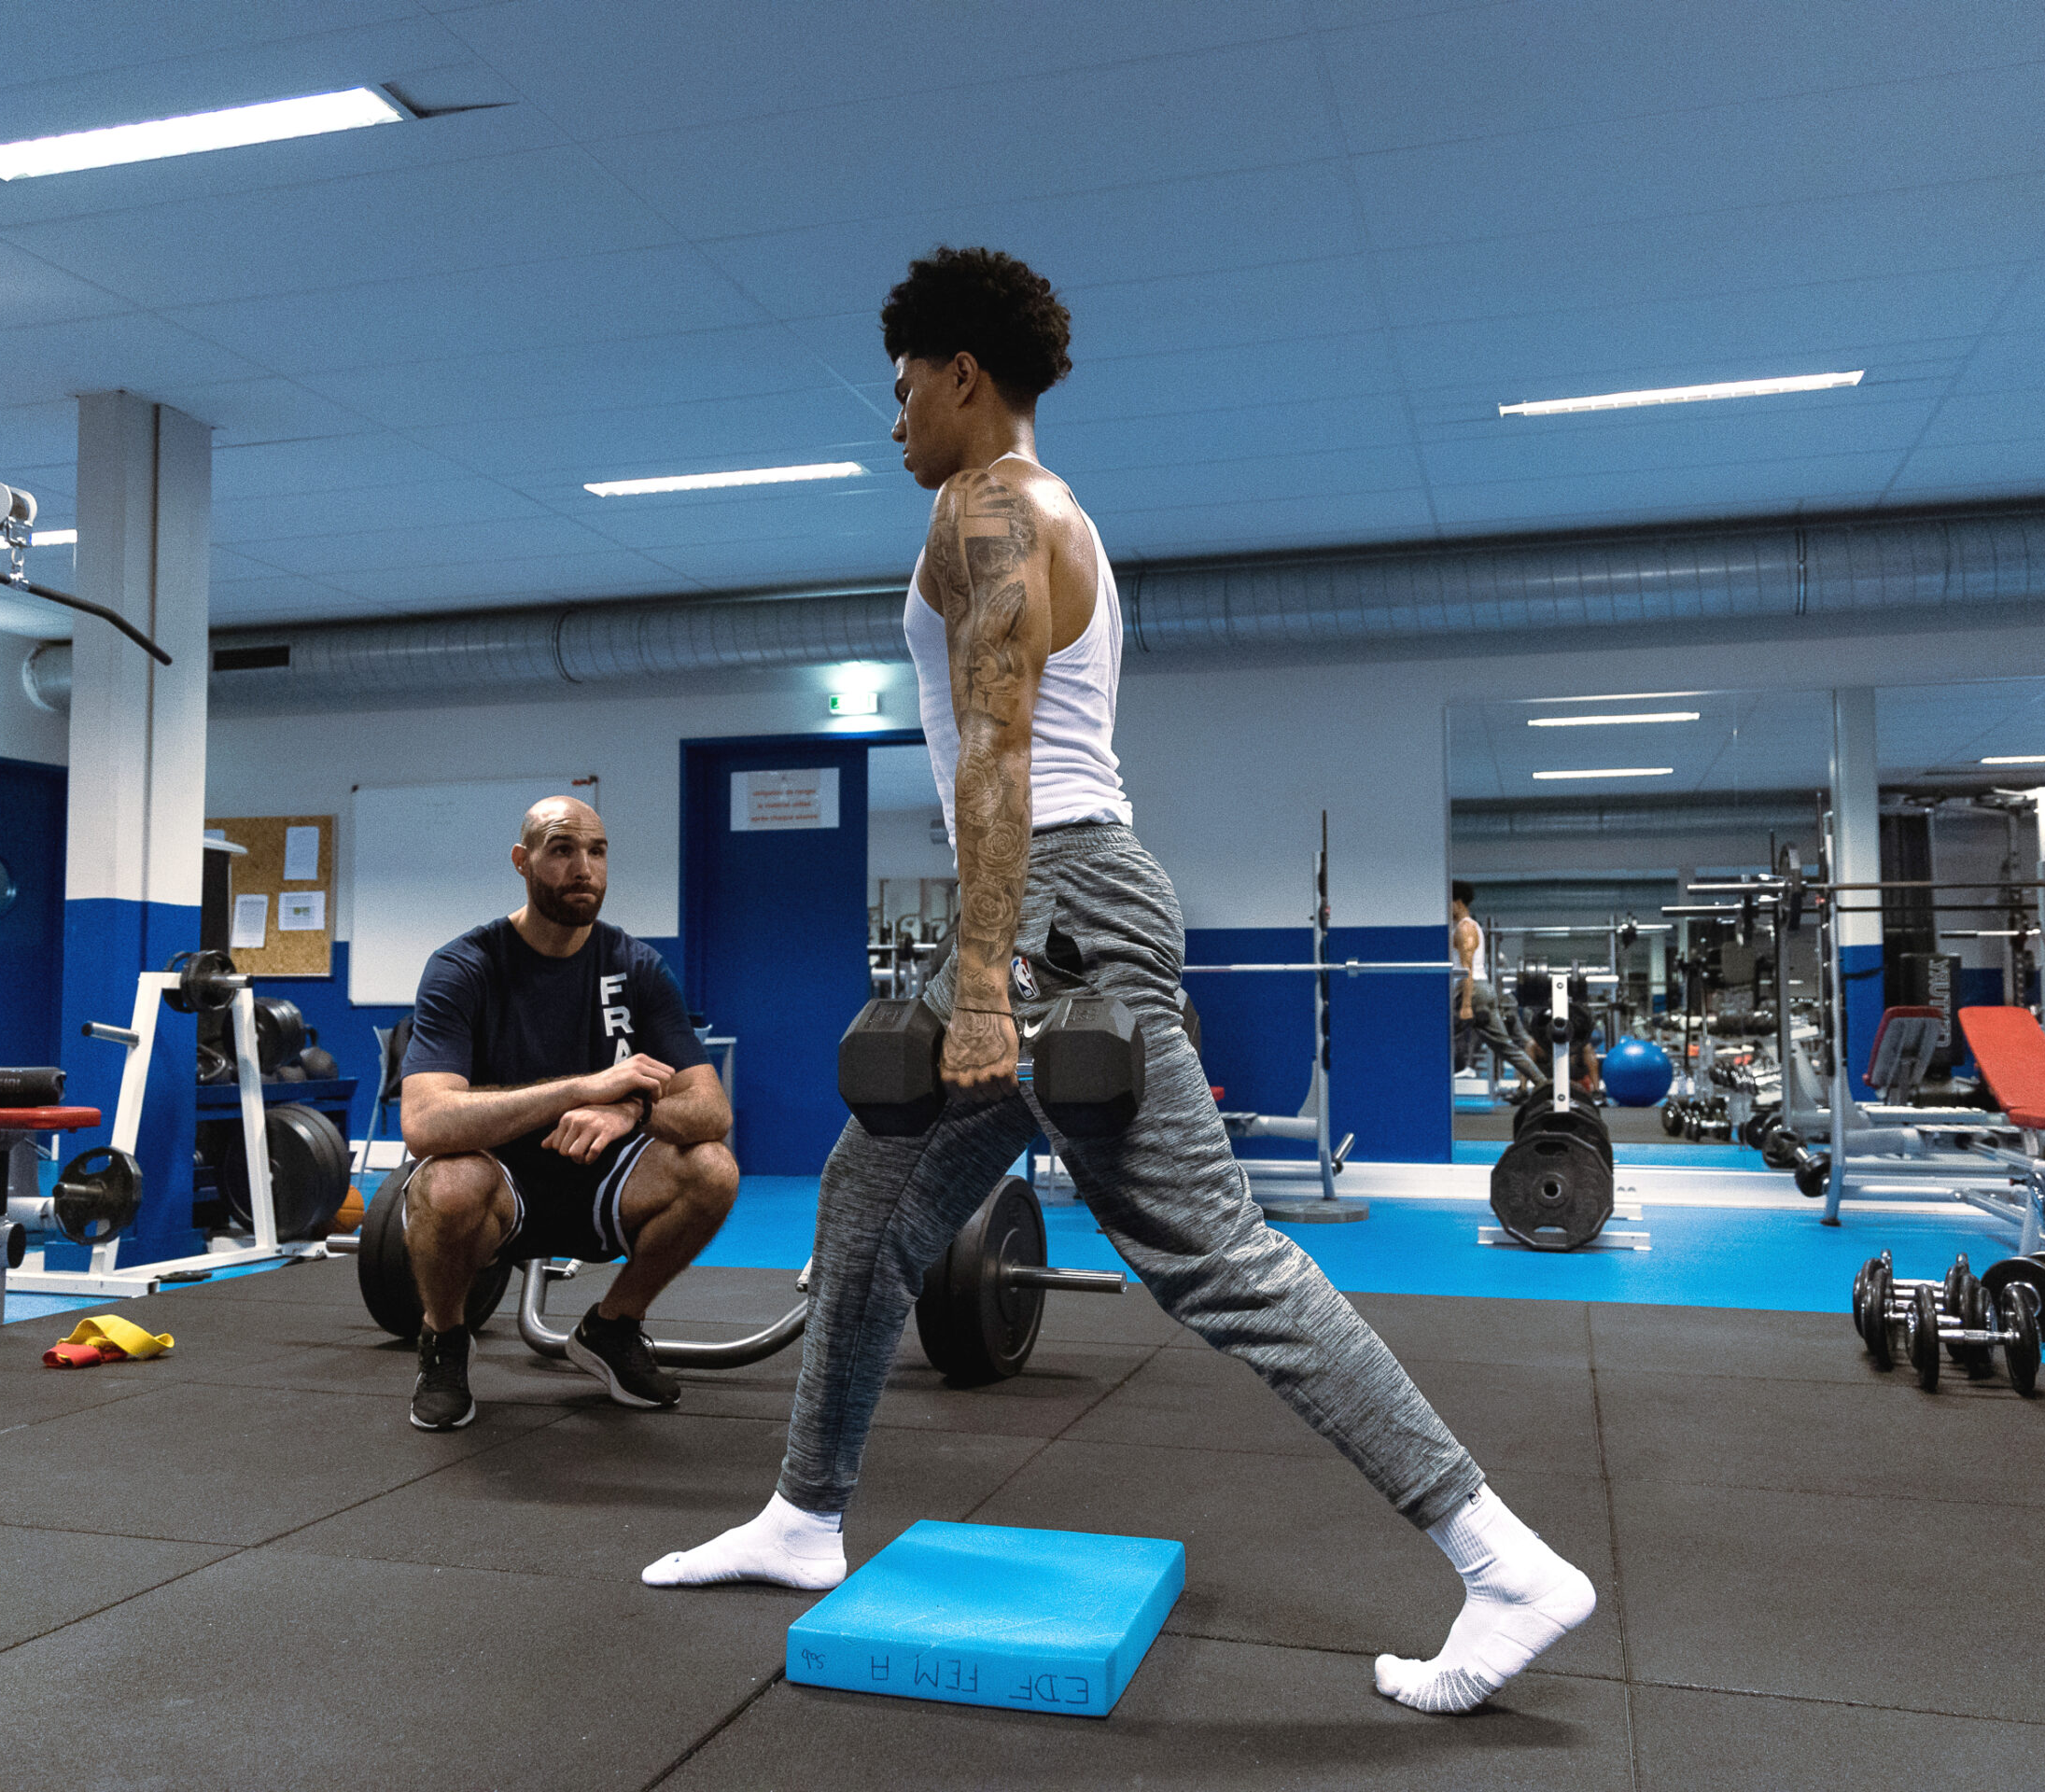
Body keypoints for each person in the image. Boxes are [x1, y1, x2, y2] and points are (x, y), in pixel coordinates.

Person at [642, 247, 1594, 1715]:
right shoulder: (1045, 510)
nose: (891, 422)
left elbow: (1006, 756)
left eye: (902, 391)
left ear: (965, 374)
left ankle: (1502, 1560)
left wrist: (980, 983)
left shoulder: (991, 510)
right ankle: (804, 1515)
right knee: (864, 1203)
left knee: (1216, 1260)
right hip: (1065, 901)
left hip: (1054, 911)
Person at [397, 795, 738, 1431]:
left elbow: (709, 1110)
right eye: (562, 851)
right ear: (522, 863)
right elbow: (424, 1125)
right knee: (448, 1182)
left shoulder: (635, 966)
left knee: (712, 1169)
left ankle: (613, 1327)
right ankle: (444, 1337)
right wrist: (585, 1089)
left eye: (597, 851)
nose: (584, 868)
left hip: (604, 1178)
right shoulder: (464, 966)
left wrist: (631, 1112)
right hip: (498, 1184)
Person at [1451, 882, 1543, 1093]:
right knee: (1506, 1048)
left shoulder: (1465, 928)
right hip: (1477, 991)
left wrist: (1466, 1005)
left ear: (1456, 903)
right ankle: (1543, 1083)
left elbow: (1466, 969)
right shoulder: (1465, 926)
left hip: (1473, 992)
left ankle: (1544, 1084)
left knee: (1439, 1038)